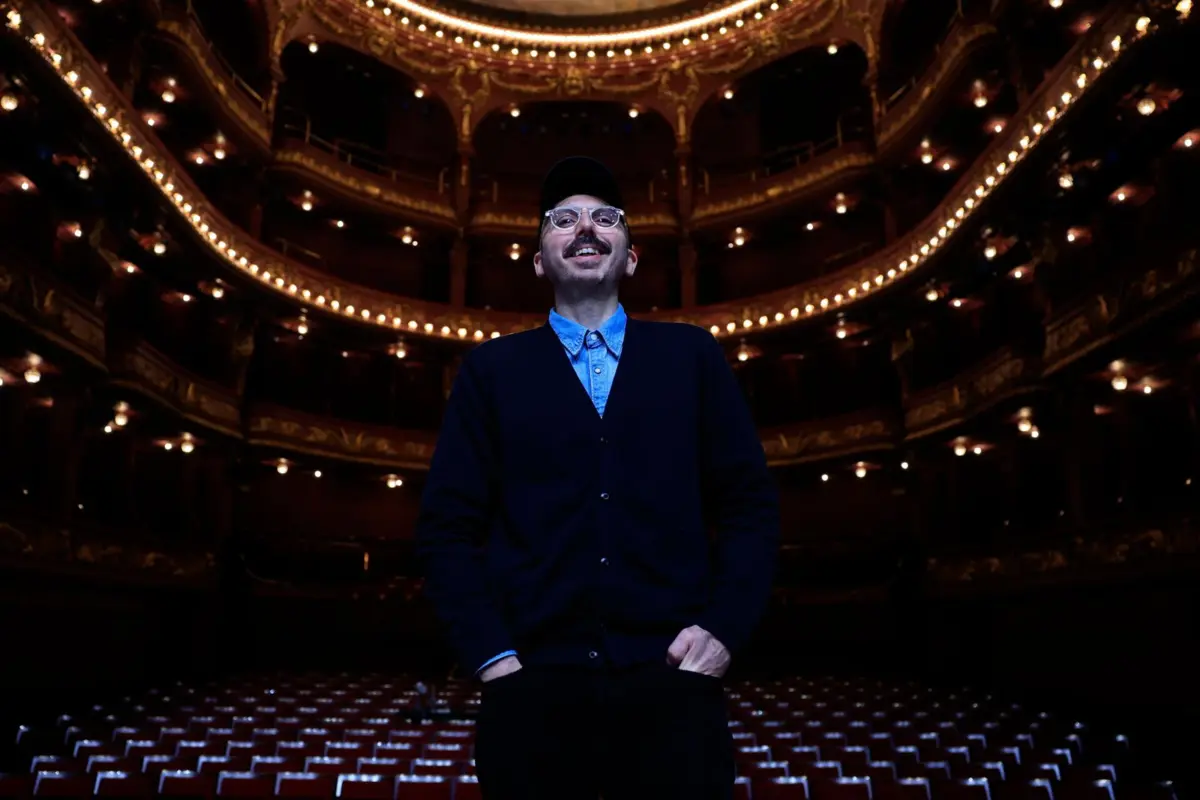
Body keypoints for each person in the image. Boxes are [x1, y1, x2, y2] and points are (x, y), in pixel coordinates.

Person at [415, 156, 779, 799]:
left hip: (674, 689)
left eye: (605, 218)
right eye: (563, 220)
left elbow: (750, 506)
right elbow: (446, 528)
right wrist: (494, 660)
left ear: (630, 258)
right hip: (530, 696)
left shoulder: (692, 355)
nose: (585, 228)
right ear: (538, 260)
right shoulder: (489, 371)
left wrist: (724, 630)